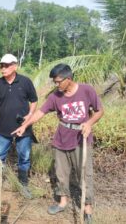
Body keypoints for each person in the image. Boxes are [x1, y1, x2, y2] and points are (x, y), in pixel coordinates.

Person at [12, 63, 103, 223]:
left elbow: (99, 111)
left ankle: (87, 207)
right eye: (54, 81)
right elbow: (40, 112)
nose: (56, 84)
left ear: (69, 79)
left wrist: (89, 123)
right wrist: (25, 126)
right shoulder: (56, 96)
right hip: (61, 139)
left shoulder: (86, 90)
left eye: (58, 81)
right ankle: (62, 202)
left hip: (81, 139)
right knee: (61, 173)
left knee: (84, 175)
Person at [0, 53, 38, 198]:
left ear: (15, 66)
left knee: (24, 157)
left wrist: (30, 115)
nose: (3, 68)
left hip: (23, 128)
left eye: (6, 65)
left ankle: (23, 185)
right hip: (3, 129)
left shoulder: (25, 82)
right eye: (1, 66)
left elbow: (34, 100)